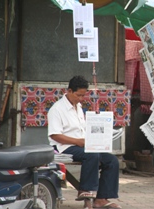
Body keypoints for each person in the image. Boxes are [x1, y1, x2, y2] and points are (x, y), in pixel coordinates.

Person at [47, 76, 121, 209]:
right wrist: (78, 142)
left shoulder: (79, 107)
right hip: (64, 147)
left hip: (83, 145)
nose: (81, 99)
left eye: (83, 95)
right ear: (69, 91)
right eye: (78, 95)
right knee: (92, 155)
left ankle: (101, 199)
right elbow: (55, 135)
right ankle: (86, 191)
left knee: (112, 160)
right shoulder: (57, 109)